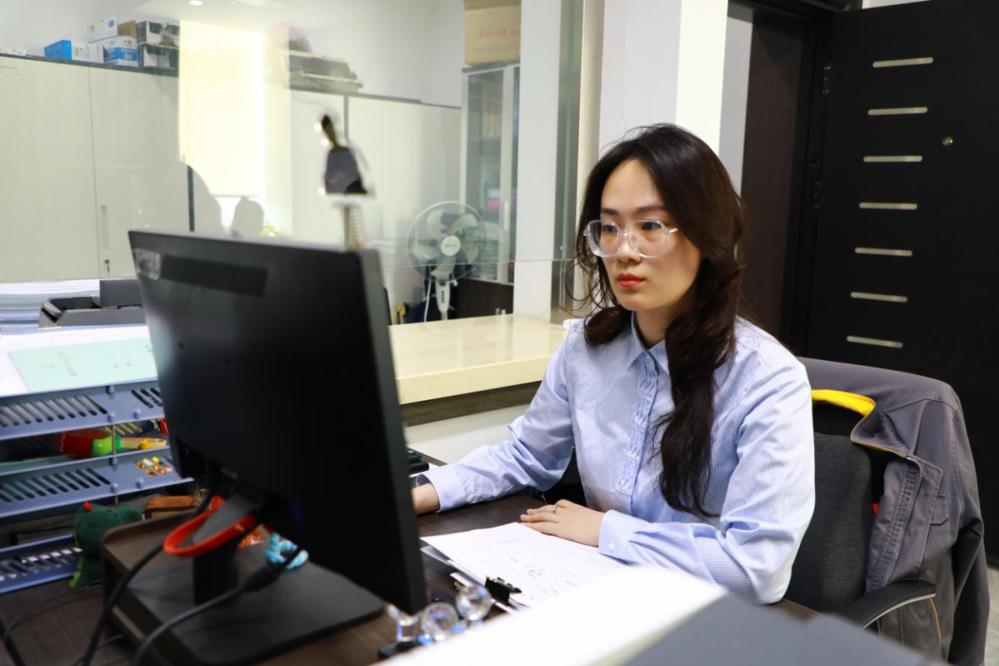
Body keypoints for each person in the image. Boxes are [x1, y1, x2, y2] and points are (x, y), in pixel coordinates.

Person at [412, 124, 814, 604]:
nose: (624, 250)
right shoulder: (586, 347)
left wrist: (606, 530)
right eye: (609, 227)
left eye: (651, 226)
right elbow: (526, 456)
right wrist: (422, 491)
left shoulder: (767, 379)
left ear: (709, 235)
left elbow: (757, 569)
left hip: (699, 616)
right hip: (590, 589)